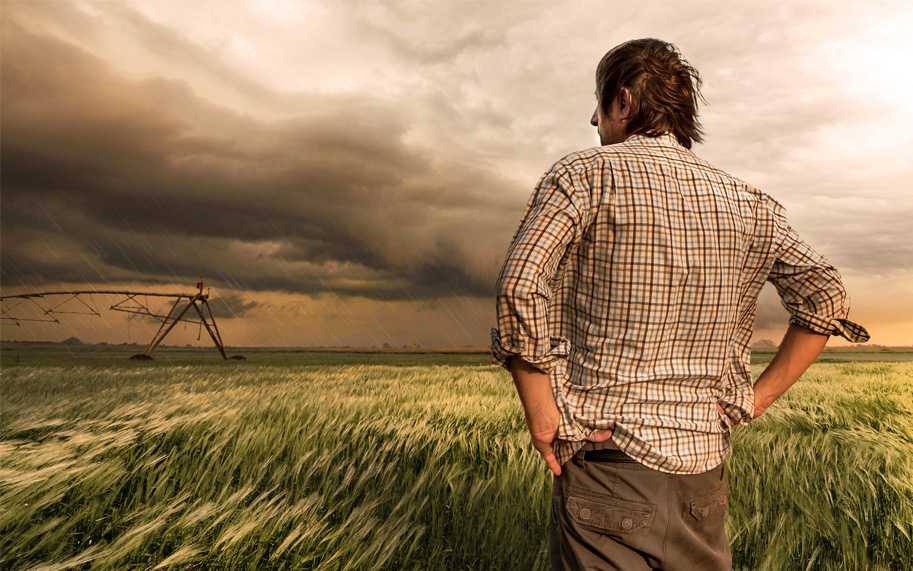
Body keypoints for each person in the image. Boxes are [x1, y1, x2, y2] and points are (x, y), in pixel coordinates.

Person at [491, 38, 868, 570]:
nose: (593, 121)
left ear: (623, 103)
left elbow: (520, 285)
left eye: (598, 108)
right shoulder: (749, 202)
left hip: (607, 465)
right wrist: (754, 401)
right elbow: (825, 294)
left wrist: (541, 414)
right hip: (702, 481)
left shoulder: (583, 175)